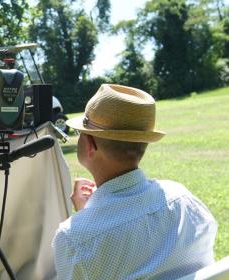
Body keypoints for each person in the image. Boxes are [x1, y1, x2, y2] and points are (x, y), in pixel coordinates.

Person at [52, 84, 218, 279]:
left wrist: (86, 220)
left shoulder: (74, 238)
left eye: (80, 133)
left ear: (90, 145)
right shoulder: (184, 200)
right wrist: (89, 214)